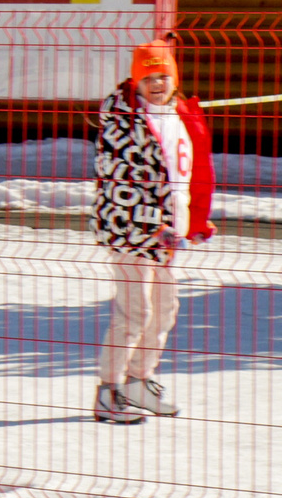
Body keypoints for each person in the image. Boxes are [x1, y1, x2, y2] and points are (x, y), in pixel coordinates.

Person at [90, 39, 213, 425]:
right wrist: (151, 222)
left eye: (163, 76)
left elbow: (189, 171)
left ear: (174, 79)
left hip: (166, 233)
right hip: (130, 231)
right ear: (136, 82)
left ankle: (138, 380)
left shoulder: (177, 115)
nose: (157, 84)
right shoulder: (123, 122)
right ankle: (109, 391)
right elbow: (120, 181)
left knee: (164, 309)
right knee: (135, 311)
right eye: (148, 78)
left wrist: (192, 220)